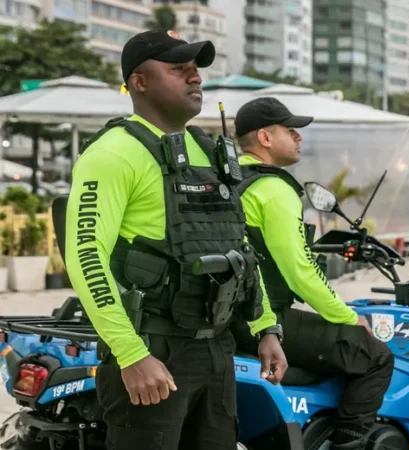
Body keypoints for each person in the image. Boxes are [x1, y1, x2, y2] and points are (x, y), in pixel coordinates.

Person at [64, 29, 287, 450]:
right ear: (139, 81)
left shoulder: (207, 151)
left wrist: (265, 328)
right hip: (152, 349)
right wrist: (130, 354)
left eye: (196, 70)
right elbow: (85, 257)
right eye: (178, 69)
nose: (195, 78)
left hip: (215, 350)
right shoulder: (112, 154)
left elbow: (239, 250)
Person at [229, 97, 394, 450]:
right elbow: (299, 271)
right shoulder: (273, 189)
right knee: (375, 356)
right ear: (265, 138)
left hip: (223, 314)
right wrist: (349, 318)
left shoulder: (227, 180)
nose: (299, 137)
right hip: (262, 318)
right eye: (290, 131)